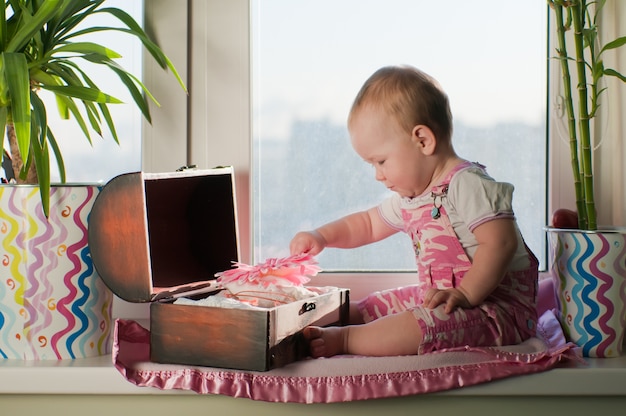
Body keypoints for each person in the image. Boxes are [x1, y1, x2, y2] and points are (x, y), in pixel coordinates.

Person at [289, 65, 538, 358]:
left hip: (497, 311)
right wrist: (322, 236)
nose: (377, 175)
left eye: (381, 161)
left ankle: (346, 340)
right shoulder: (414, 197)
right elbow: (368, 224)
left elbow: (500, 243)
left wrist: (467, 294)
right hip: (448, 301)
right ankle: (349, 316)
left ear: (422, 140)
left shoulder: (467, 184)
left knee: (422, 325)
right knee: (384, 303)